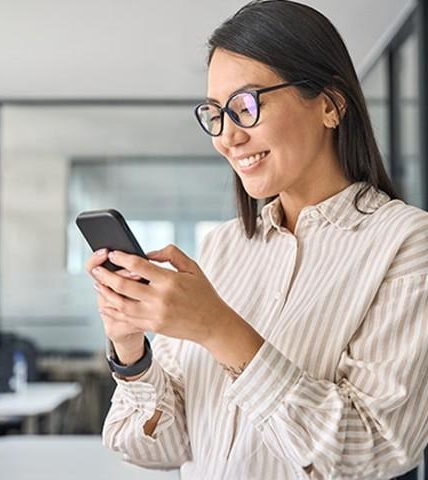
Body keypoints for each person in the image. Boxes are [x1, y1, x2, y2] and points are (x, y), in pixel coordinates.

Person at [85, 1, 428, 478]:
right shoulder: (223, 247)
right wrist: (130, 348)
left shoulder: (407, 242)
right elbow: (159, 448)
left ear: (329, 104)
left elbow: (372, 448)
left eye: (245, 106)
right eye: (215, 114)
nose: (227, 137)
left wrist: (218, 328)